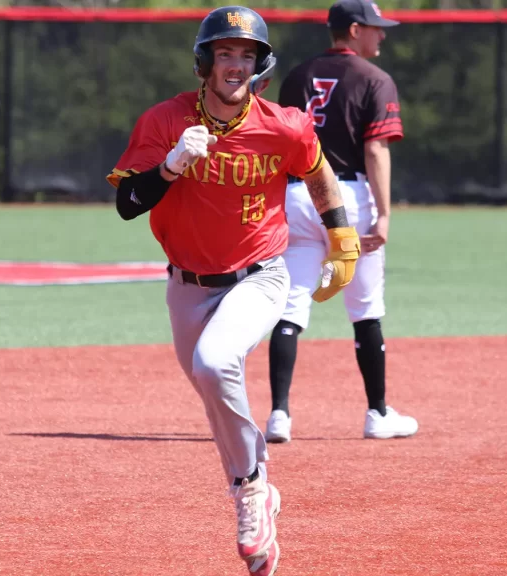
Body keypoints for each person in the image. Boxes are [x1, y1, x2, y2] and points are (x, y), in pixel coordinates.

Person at [106, 6, 361, 575]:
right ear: (205, 62)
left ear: (261, 66)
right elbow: (127, 205)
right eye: (225, 53)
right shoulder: (165, 122)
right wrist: (170, 167)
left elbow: (317, 168)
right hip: (187, 285)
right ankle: (254, 498)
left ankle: (251, 490)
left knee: (215, 361)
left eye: (246, 56)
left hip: (261, 274)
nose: (235, 65)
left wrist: (341, 236)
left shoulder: (283, 124)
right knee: (211, 386)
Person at [264, 0, 418, 444]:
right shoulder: (376, 80)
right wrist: (385, 215)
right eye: (375, 27)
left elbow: (281, 141)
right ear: (353, 31)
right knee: (366, 310)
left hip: (297, 193)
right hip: (347, 197)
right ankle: (377, 413)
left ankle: (278, 416)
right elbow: (375, 151)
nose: (382, 35)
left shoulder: (297, 75)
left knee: (291, 306)